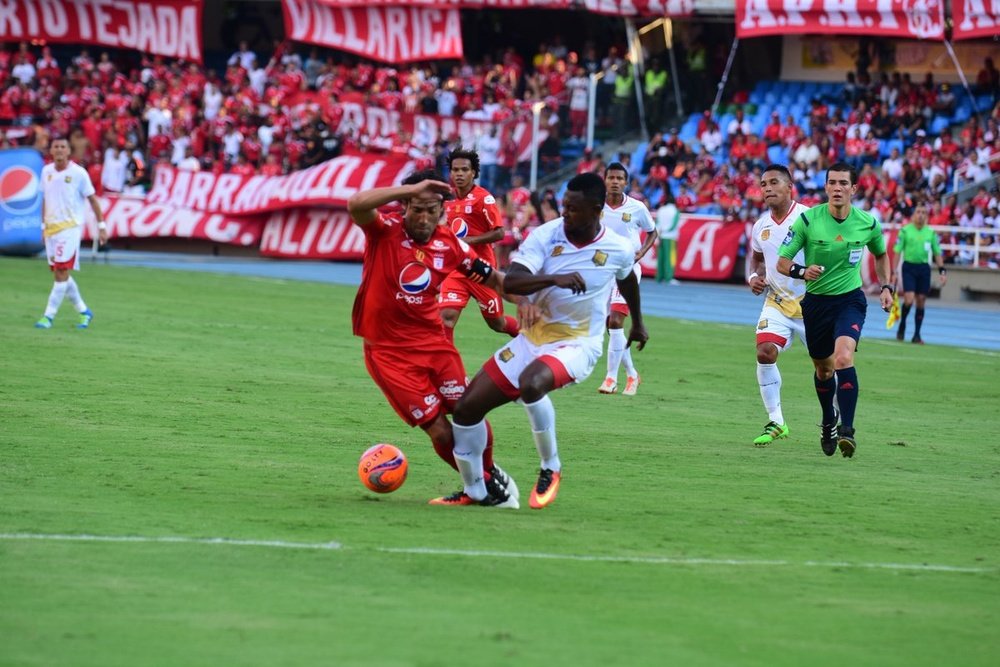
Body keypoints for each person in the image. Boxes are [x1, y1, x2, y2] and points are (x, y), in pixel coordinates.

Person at [451, 172, 648, 509]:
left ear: (596, 210)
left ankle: (550, 466)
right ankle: (477, 491)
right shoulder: (545, 235)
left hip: (577, 344)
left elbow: (627, 280)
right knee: (465, 410)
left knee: (532, 383)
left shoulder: (617, 247)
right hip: (531, 340)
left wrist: (638, 324)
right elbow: (513, 280)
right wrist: (554, 279)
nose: (564, 212)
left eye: (572, 208)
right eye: (563, 205)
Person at [346, 169, 519, 508]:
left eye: (431, 210)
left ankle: (485, 476)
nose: (423, 218)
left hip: (435, 346)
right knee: (439, 430)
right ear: (403, 207)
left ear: (442, 210)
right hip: (389, 353)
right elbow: (356, 204)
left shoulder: (449, 244)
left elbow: (495, 279)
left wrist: (537, 300)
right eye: (416, 208)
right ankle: (481, 487)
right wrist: (414, 187)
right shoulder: (384, 232)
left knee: (470, 410)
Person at [776, 162, 892, 459]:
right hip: (816, 304)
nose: (837, 188)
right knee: (823, 369)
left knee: (843, 358)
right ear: (826, 187)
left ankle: (848, 431)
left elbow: (881, 253)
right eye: (832, 183)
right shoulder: (808, 220)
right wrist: (802, 271)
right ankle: (829, 419)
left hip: (849, 301)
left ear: (853, 189)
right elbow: (782, 262)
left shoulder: (867, 222)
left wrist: (887, 286)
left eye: (843, 183)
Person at [746, 165, 812, 446]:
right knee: (764, 351)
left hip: (813, 306)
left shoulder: (809, 218)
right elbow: (757, 259)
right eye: (763, 184)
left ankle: (836, 417)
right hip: (777, 301)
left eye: (774, 182)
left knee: (827, 367)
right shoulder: (760, 226)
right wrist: (753, 277)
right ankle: (777, 420)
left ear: (790, 187)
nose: (768, 188)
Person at [439, 148, 520, 343]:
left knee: (497, 324)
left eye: (464, 170)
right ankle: (446, 371)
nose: (459, 174)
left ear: (473, 172)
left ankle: (533, 336)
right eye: (455, 170)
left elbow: (500, 232)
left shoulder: (483, 198)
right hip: (456, 269)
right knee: (445, 319)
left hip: (480, 270)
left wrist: (468, 242)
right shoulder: (447, 199)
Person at [35, 137, 108, 330]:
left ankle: (48, 316)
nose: (59, 150)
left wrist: (101, 225)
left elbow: (92, 200)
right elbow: (45, 199)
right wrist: (43, 227)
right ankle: (84, 311)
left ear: (69, 151)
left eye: (63, 147)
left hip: (70, 229)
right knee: (61, 274)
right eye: (56, 146)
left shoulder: (79, 173)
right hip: (51, 229)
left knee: (61, 271)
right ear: (51, 150)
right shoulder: (46, 172)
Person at [598, 162, 657, 396]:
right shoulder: (595, 206)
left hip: (627, 271)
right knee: (611, 328)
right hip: (603, 270)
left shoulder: (636, 208)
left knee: (615, 322)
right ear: (605, 180)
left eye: (619, 178)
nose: (615, 181)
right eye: (611, 177)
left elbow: (653, 231)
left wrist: (641, 253)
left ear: (626, 182)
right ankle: (632, 374)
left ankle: (610, 379)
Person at [893, 201, 947, 344]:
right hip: (909, 267)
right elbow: (897, 252)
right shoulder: (905, 231)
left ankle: (917, 335)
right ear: (913, 215)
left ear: (927, 216)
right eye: (918, 212)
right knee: (909, 298)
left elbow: (937, 253)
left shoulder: (931, 233)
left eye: (924, 213)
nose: (921, 215)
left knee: (921, 300)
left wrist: (942, 271)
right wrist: (894, 271)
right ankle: (902, 324)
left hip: (924, 268)